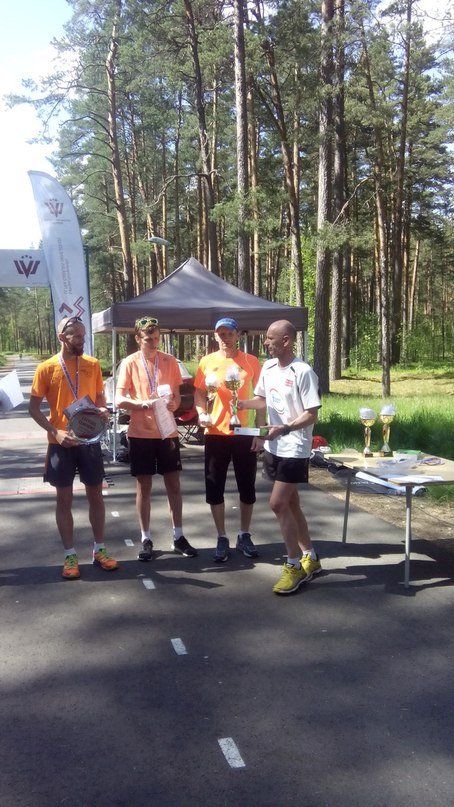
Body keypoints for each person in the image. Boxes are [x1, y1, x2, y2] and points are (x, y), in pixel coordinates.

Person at [29, 315, 119, 580]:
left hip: (89, 440)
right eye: (76, 336)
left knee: (96, 496)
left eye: (83, 335)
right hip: (61, 442)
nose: (82, 340)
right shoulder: (46, 368)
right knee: (64, 499)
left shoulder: (92, 364)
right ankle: (70, 554)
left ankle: (99, 549)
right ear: (62, 337)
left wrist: (103, 410)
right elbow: (34, 409)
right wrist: (54, 431)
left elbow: (100, 398)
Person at [238, 319, 322, 595]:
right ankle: (310, 555)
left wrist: (284, 428)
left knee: (277, 504)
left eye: (270, 338)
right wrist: (240, 403)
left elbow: (311, 413)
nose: (266, 342)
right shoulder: (269, 367)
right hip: (274, 446)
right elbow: (262, 400)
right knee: (291, 502)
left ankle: (293, 565)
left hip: (295, 447)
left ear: (286, 340)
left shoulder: (303, 371)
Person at [115, 316, 198, 560]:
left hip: (167, 431)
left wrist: (174, 404)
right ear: (138, 339)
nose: (153, 343)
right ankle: (146, 537)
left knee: (174, 484)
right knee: (144, 486)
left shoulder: (169, 361)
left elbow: (177, 397)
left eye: (156, 338)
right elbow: (119, 400)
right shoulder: (129, 363)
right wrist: (142, 404)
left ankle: (178, 536)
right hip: (141, 433)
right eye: (148, 339)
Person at [194, 317, 264, 562]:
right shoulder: (207, 362)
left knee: (247, 486)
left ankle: (244, 534)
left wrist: (261, 432)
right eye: (221, 334)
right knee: (215, 486)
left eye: (229, 333)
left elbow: (261, 399)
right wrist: (202, 413)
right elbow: (199, 393)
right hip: (216, 432)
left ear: (238, 335)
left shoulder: (251, 361)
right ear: (215, 336)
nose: (225, 338)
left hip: (245, 433)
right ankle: (221, 536)